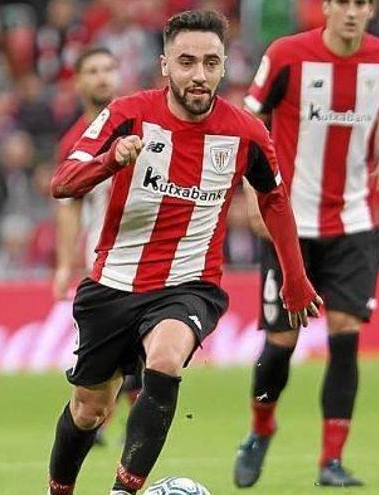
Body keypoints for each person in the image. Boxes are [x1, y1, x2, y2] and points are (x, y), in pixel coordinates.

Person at [45, 10, 321, 495]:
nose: (199, 74)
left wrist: (296, 281)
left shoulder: (246, 131)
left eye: (211, 62)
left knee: (167, 359)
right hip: (113, 284)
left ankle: (123, 491)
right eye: (187, 61)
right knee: (90, 409)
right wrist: (111, 160)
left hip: (189, 285)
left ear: (224, 66)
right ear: (165, 65)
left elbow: (275, 201)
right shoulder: (128, 113)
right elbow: (62, 183)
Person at [234, 0, 379, 488]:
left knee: (346, 335)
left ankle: (331, 461)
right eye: (343, 2)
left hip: (355, 222)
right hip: (289, 224)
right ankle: (260, 429)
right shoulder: (288, 56)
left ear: (371, 10)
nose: (352, 12)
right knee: (281, 344)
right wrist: (253, 196)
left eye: (362, 3)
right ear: (326, 7)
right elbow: (247, 125)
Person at [51, 46, 141, 446]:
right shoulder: (74, 140)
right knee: (107, 348)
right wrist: (64, 263)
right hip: (100, 259)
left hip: (143, 250)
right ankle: (99, 415)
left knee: (141, 345)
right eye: (93, 70)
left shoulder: (141, 123)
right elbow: (69, 206)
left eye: (109, 68)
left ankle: (130, 424)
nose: (103, 77)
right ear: (79, 81)